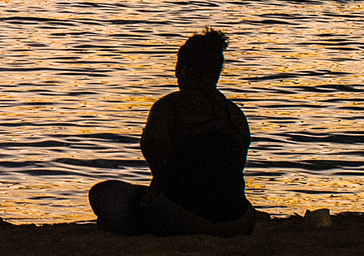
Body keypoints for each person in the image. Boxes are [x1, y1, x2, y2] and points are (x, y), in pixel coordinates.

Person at [89, 28, 260, 237]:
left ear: (185, 71)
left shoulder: (170, 106)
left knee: (103, 193)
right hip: (241, 221)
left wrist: (158, 184)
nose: (175, 74)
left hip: (185, 216)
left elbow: (151, 146)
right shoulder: (236, 115)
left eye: (177, 67)